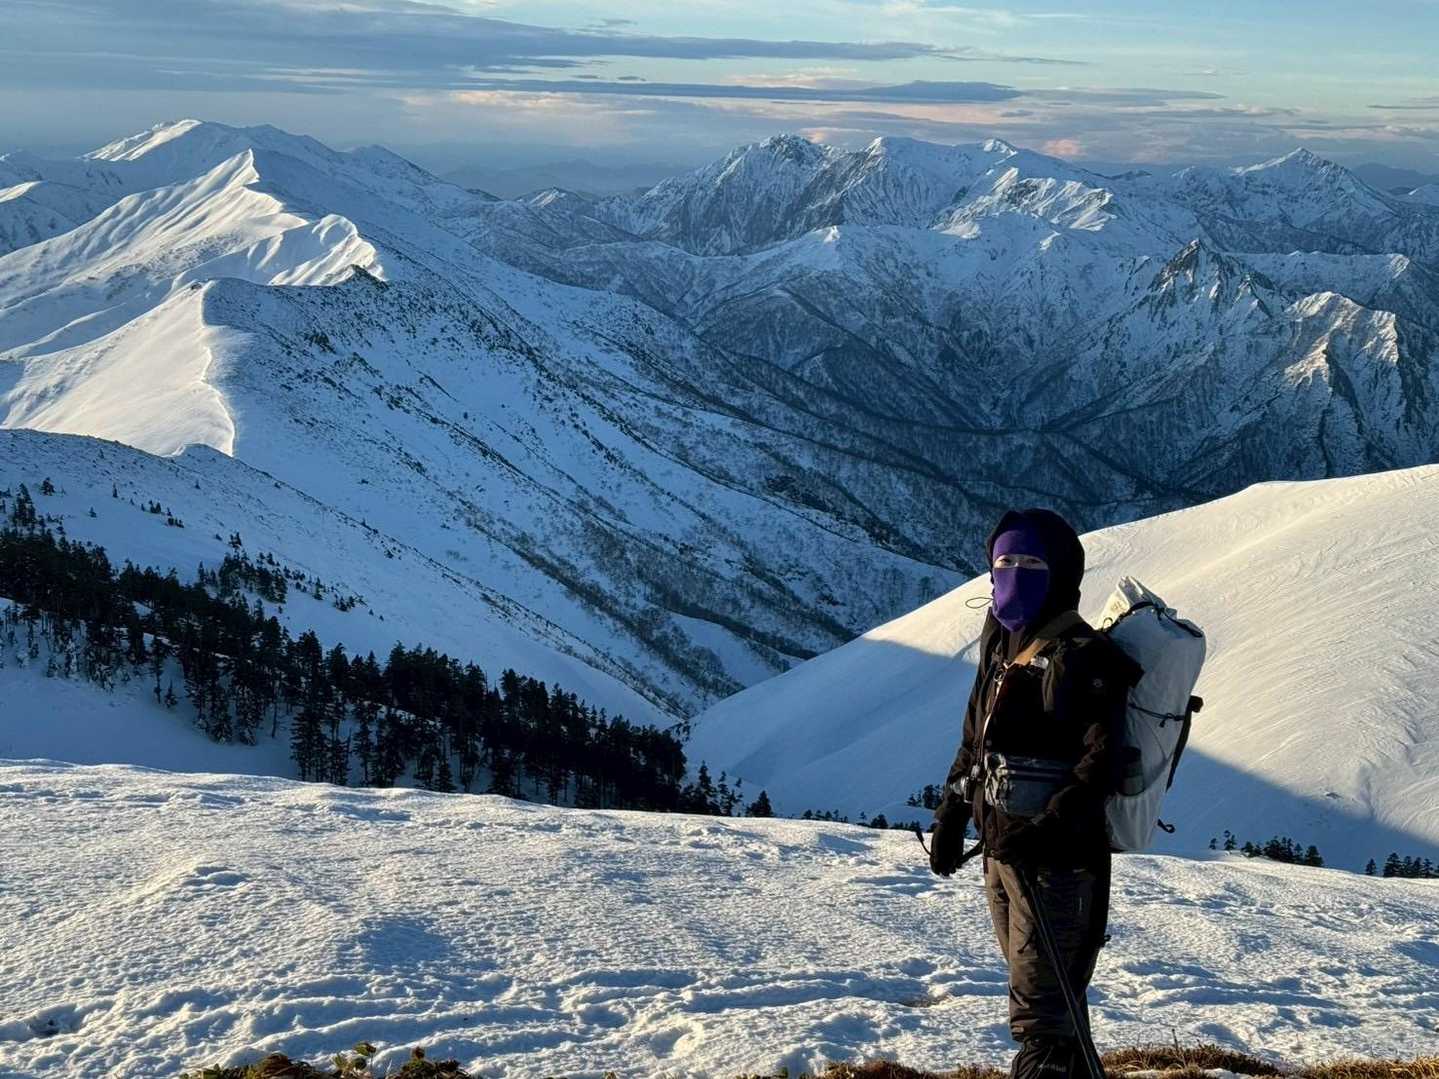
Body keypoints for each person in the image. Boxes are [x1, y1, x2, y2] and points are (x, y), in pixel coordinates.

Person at [928, 508, 1141, 1079]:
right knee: (1050, 1000)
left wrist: (1049, 825)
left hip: (1059, 862)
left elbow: (1102, 761)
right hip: (1002, 851)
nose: (1015, 573)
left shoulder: (1085, 656)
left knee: (1041, 1016)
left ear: (1062, 573)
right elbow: (976, 739)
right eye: (1004, 561)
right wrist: (951, 814)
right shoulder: (999, 644)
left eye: (1031, 562)